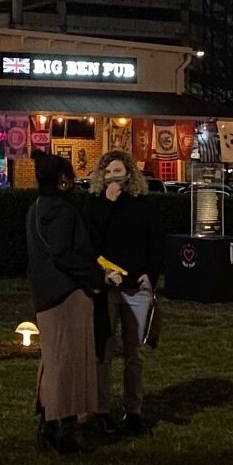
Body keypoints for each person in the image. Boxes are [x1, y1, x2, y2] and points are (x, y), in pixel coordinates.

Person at [25, 151, 113, 453]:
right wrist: (97, 277)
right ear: (63, 178)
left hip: (45, 294)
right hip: (68, 294)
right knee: (69, 363)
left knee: (53, 361)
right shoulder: (63, 211)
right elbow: (63, 253)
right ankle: (64, 428)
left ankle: (49, 423)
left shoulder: (35, 209)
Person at [88, 150, 162, 434]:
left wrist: (150, 274)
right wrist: (107, 203)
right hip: (108, 287)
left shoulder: (142, 205)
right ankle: (101, 409)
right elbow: (92, 239)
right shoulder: (95, 204)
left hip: (136, 289)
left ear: (129, 174)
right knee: (103, 352)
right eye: (108, 172)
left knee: (134, 353)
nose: (113, 177)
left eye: (118, 171)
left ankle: (133, 411)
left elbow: (155, 241)